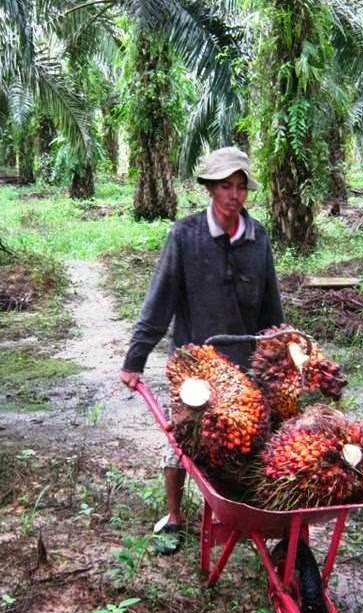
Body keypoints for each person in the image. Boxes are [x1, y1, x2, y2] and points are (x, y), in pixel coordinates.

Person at [119, 146, 284, 554]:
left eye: (241, 187)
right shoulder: (185, 236)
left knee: (248, 443)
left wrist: (277, 352)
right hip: (196, 363)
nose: (234, 195)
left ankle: (246, 513)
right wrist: (134, 359)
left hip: (243, 363)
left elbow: (270, 307)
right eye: (225, 186)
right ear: (210, 188)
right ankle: (175, 516)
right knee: (181, 443)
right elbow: (159, 302)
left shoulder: (257, 238)